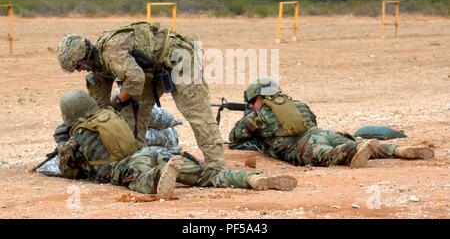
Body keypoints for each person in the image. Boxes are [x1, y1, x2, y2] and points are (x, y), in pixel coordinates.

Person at [54, 90, 298, 195]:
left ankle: (161, 175)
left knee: (141, 181)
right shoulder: (109, 115)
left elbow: (70, 171)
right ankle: (250, 179)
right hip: (149, 152)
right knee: (205, 175)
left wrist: (64, 146)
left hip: (126, 167)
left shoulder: (79, 135)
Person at [57, 22, 225, 169]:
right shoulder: (99, 69)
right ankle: (137, 160)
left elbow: (136, 80)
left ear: (84, 56)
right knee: (131, 117)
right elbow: (97, 111)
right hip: (151, 71)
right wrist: (73, 134)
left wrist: (116, 102)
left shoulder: (111, 53)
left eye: (78, 65)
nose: (80, 70)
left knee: (196, 112)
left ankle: (215, 164)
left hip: (177, 58)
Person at [229, 78, 434, 168]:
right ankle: (398, 150)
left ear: (258, 98)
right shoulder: (297, 104)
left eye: (251, 102)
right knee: (337, 142)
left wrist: (248, 116)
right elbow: (312, 120)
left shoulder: (259, 116)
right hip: (320, 132)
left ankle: (356, 149)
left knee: (326, 156)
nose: (251, 105)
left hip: (299, 146)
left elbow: (235, 137)